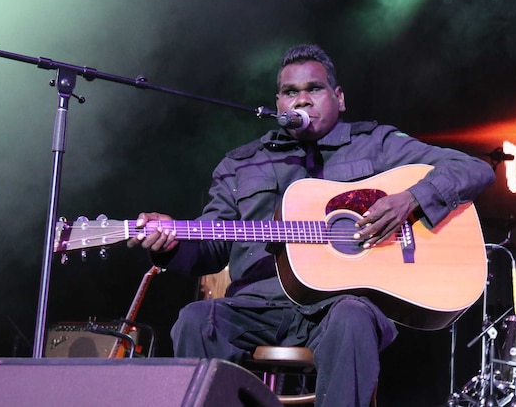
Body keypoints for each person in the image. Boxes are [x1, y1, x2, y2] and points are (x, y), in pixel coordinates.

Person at [127, 43, 495, 406]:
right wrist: (171, 242)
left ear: (339, 98)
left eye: (313, 89)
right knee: (194, 320)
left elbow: (474, 168)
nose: (301, 100)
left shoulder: (376, 145)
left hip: (342, 308)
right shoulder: (241, 165)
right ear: (278, 105)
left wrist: (411, 199)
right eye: (290, 92)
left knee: (351, 318)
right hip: (258, 307)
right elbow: (210, 249)